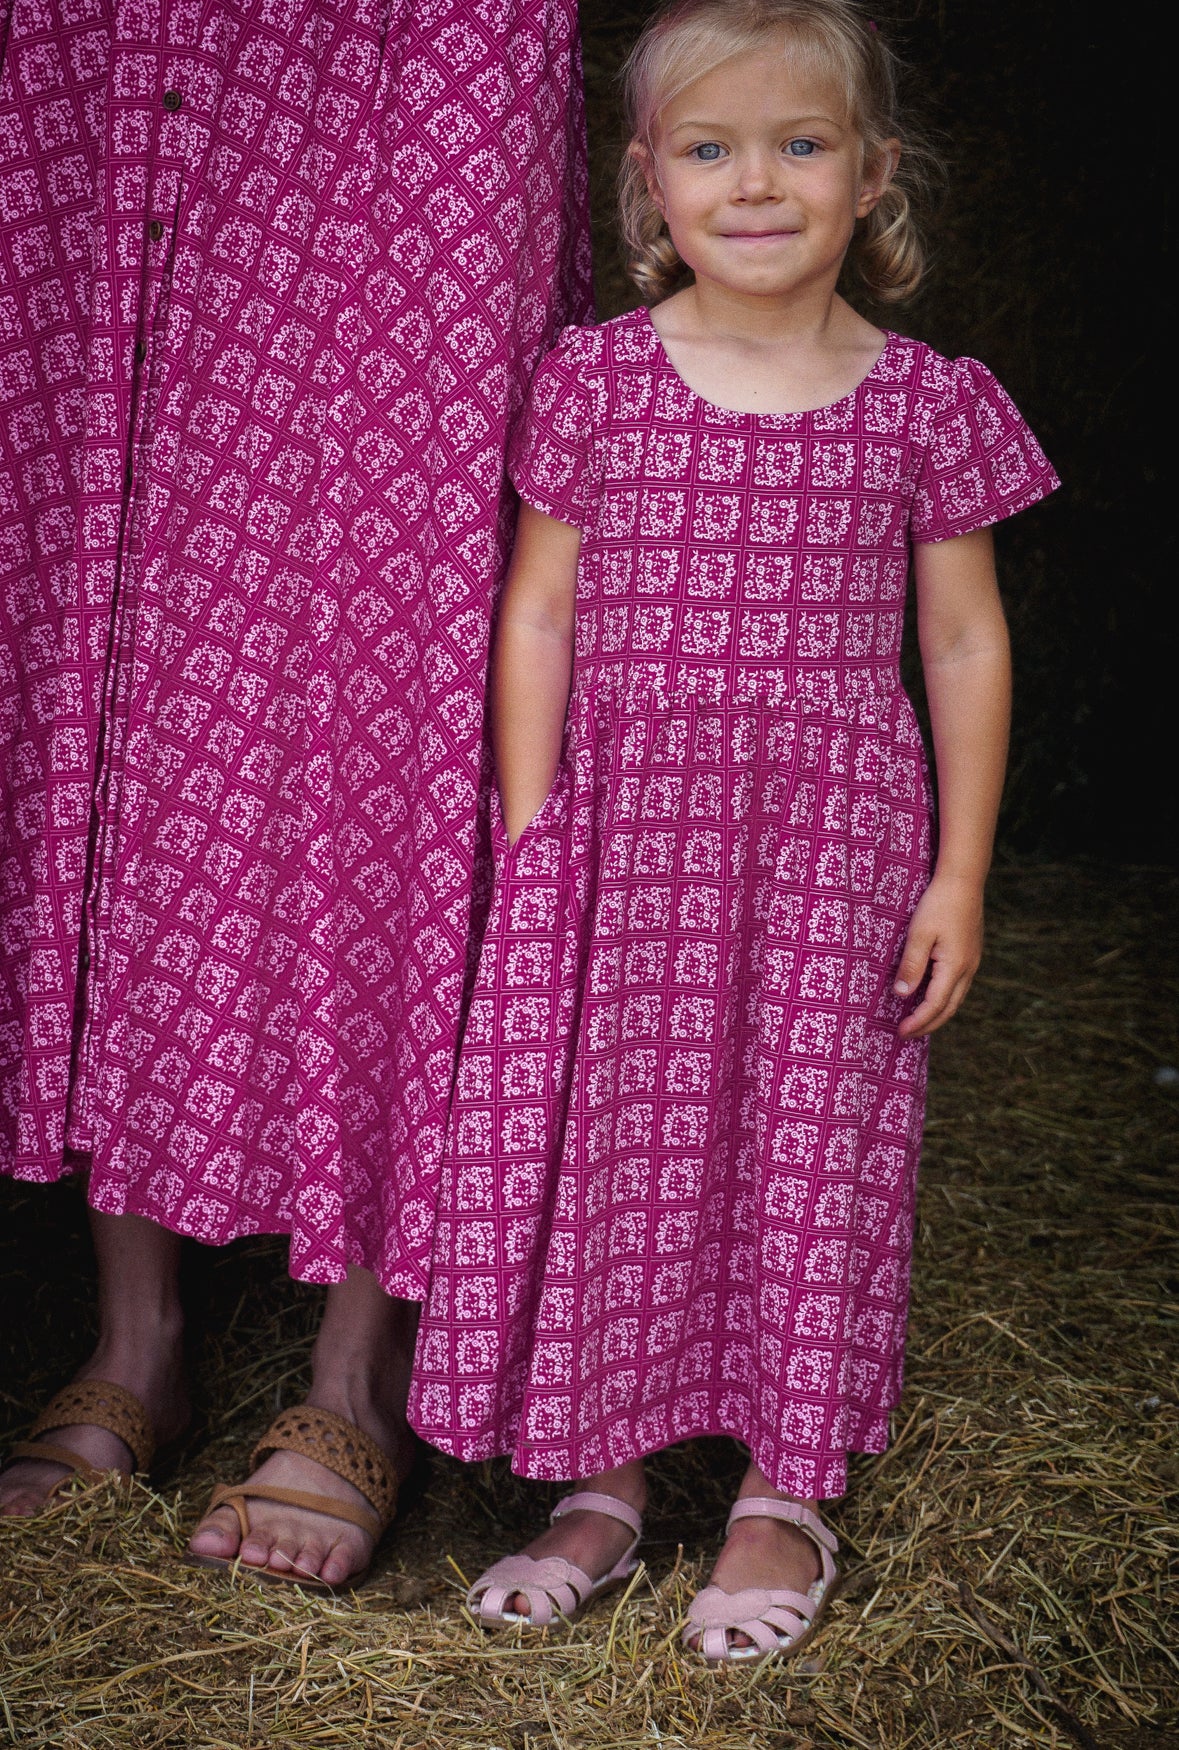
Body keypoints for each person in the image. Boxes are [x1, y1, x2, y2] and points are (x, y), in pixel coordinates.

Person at [407, 0, 1058, 1660]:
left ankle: (783, 1488)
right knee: (617, 1145)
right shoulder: (596, 379)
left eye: (800, 142)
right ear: (648, 182)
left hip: (829, 851)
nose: (753, 183)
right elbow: (537, 612)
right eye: (709, 148)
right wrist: (539, 822)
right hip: (625, 845)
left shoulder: (927, 397)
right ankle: (602, 1482)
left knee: (812, 1143)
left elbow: (966, 641)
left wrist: (962, 873)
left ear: (872, 177)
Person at [0, 1, 590, 1592]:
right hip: (132, 30)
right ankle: (138, 1332)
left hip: (419, 39)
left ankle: (357, 1373)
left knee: (405, 632)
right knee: (122, 615)